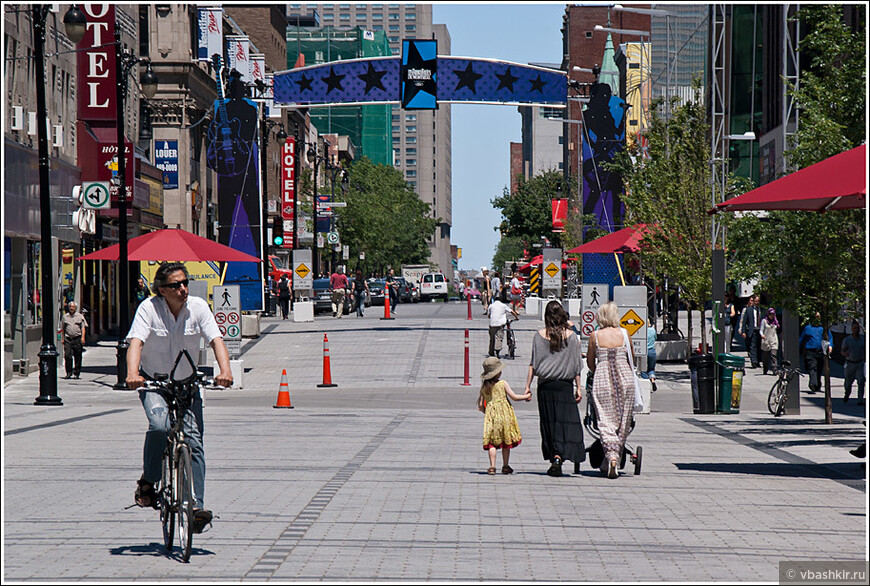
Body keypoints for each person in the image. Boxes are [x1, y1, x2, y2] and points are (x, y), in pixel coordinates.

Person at [126, 262, 233, 534]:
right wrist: (131, 374)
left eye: (185, 282)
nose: (183, 289)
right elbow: (136, 342)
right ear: (162, 289)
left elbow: (216, 340)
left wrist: (226, 371)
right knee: (160, 426)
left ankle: (196, 505)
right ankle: (149, 481)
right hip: (155, 382)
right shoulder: (148, 309)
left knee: (194, 441)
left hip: (187, 384)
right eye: (176, 285)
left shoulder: (198, 307)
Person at [524, 300, 585, 477]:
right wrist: (578, 387)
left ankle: (554, 456)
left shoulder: (539, 335)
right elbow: (576, 364)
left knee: (549, 422)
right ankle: (560, 455)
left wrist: (527, 386)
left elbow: (533, 363)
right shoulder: (572, 337)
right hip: (565, 385)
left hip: (545, 386)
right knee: (564, 422)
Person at [586, 301, 636, 479]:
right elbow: (632, 360)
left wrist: (598, 369)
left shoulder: (595, 335)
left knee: (605, 420)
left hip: (603, 379)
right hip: (625, 379)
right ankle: (612, 459)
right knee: (623, 422)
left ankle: (612, 458)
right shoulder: (625, 333)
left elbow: (591, 363)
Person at [478, 356, 531, 475]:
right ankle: (505, 465)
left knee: (492, 442)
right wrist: (526, 397)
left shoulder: (484, 387)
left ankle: (492, 466)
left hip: (491, 417)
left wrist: (487, 412)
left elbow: (481, 405)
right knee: (505, 440)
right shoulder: (502, 384)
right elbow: (514, 397)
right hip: (504, 416)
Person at [799, 312, 832, 394]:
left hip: (820, 351)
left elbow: (830, 337)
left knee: (819, 368)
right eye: (815, 317)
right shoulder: (808, 328)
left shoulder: (823, 328)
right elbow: (801, 339)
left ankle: (817, 385)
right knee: (812, 367)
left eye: (818, 317)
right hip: (810, 351)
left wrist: (830, 345)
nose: (817, 318)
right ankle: (812, 383)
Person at [60, 301, 88, 379]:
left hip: (77, 338)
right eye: (70, 307)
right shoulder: (65, 317)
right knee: (67, 355)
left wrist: (83, 337)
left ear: (76, 308)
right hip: (68, 338)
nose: (71, 308)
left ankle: (76, 373)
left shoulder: (80, 316)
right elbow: (63, 328)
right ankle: (68, 372)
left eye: (73, 307)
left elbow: (83, 328)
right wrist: (63, 338)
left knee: (77, 356)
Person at [841, 320, 865, 405]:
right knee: (848, 382)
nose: (856, 330)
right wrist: (845, 353)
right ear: (851, 329)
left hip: (860, 363)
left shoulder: (863, 339)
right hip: (850, 363)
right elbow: (842, 350)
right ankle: (847, 394)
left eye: (857, 328)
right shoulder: (847, 340)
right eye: (854, 328)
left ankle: (860, 400)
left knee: (861, 381)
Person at [739, 294, 762, 368]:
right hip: (752, 330)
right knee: (753, 346)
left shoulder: (761, 310)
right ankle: (754, 362)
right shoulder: (749, 310)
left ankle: (758, 361)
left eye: (758, 301)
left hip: (760, 330)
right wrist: (743, 331)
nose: (757, 303)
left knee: (759, 347)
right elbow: (744, 321)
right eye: (755, 301)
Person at [760, 308, 780, 375]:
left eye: (773, 314)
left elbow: (778, 329)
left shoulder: (775, 321)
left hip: (774, 339)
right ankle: (765, 369)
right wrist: (762, 335)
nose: (772, 316)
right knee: (765, 357)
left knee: (773, 355)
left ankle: (774, 369)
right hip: (766, 340)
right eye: (770, 314)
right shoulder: (764, 321)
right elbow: (761, 330)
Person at [644, 322, 657, 392]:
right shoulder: (652, 330)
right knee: (651, 369)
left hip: (644, 352)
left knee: (643, 370)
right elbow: (655, 338)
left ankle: (646, 386)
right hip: (652, 351)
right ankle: (652, 379)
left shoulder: (641, 331)